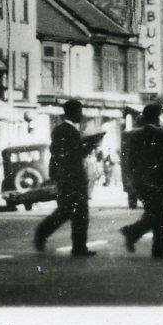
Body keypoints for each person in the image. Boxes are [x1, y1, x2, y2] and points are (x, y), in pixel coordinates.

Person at [34, 99, 99, 256]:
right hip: (72, 178)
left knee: (70, 212)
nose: (81, 115)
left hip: (68, 178)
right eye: (79, 111)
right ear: (73, 112)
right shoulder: (68, 131)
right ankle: (45, 234)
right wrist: (90, 145)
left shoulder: (61, 130)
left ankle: (76, 246)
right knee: (75, 213)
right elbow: (73, 155)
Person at [122, 103, 163, 259]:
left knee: (153, 213)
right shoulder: (160, 135)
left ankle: (136, 236)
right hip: (155, 181)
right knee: (159, 216)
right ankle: (149, 243)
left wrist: (133, 179)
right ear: (156, 117)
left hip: (140, 182)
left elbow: (130, 161)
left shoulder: (134, 136)